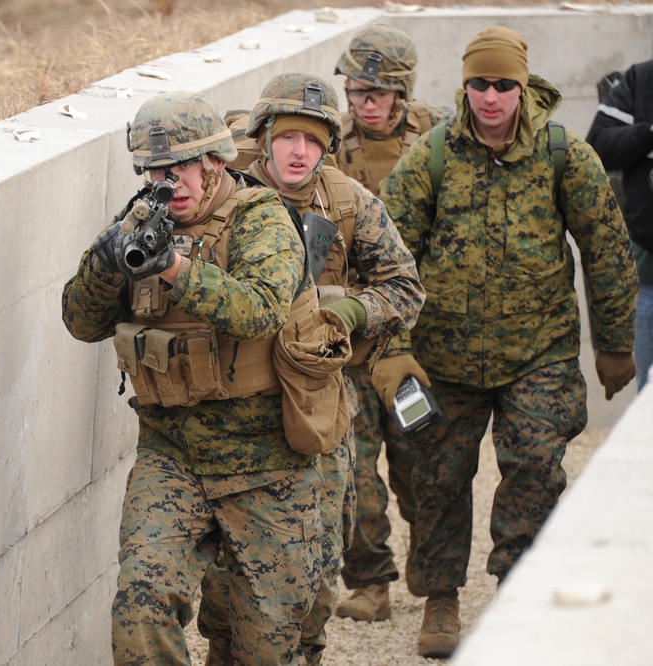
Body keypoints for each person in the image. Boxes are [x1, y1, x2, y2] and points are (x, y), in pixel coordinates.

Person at [62, 90, 417, 664]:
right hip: (173, 455)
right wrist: (103, 268)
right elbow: (81, 323)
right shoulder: (139, 220)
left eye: (178, 167)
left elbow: (258, 310)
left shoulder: (263, 218)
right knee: (140, 607)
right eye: (152, 169)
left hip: (269, 461)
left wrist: (176, 269)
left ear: (215, 163)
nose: (166, 181)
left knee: (267, 648)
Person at [380, 26, 638, 659]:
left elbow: (605, 248)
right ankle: (440, 597)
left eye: (502, 85)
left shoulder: (563, 156)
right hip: (445, 357)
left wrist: (614, 342)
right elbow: (386, 255)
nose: (490, 97)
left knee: (533, 465)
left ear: (522, 87)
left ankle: (515, 589)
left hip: (539, 353)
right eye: (478, 84)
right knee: (437, 475)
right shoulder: (432, 157)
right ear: (464, 85)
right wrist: (392, 346)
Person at [196, 73, 425, 663]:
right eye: (289, 137)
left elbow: (405, 287)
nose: (301, 153)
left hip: (315, 409)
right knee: (227, 570)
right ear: (265, 136)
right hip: (233, 413)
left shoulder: (347, 202)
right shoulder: (222, 194)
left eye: (316, 141)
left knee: (319, 561)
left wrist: (348, 308)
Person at [331, 23, 453, 625]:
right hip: (351, 342)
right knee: (353, 473)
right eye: (356, 92)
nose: (365, 103)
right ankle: (370, 581)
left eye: (376, 93)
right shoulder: (330, 144)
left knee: (421, 468)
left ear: (402, 92)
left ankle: (434, 582)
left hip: (412, 343)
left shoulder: (437, 138)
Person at [587, 58, 653, 391]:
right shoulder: (642, 79)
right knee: (648, 398)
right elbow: (597, 145)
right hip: (647, 273)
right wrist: (648, 133)